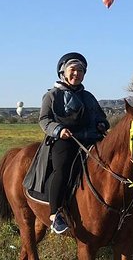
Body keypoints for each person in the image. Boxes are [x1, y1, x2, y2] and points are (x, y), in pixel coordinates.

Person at [38, 52, 111, 234]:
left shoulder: (89, 96)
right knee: (62, 169)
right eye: (73, 70)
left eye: (80, 71)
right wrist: (59, 130)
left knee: (118, 163)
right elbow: (44, 120)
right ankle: (56, 214)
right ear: (63, 72)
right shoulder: (52, 95)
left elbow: (100, 116)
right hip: (66, 139)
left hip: (92, 138)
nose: (77, 74)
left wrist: (102, 124)